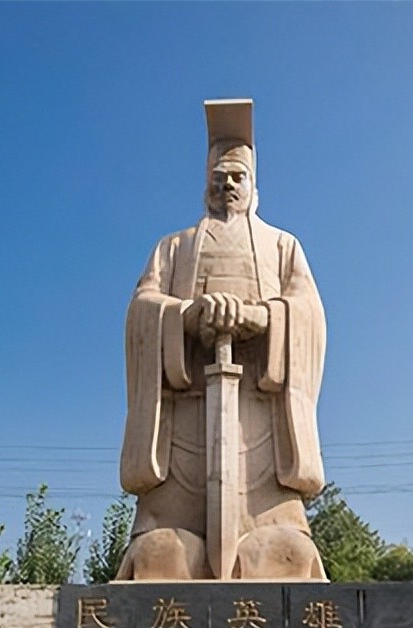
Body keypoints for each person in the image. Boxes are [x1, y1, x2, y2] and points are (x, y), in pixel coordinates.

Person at [116, 100, 328, 580]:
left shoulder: (283, 246)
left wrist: (264, 317)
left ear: (255, 187)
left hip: (260, 416)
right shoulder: (174, 247)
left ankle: (271, 528)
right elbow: (141, 309)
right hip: (186, 420)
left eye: (238, 177)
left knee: (282, 554)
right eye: (218, 177)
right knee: (162, 554)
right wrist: (184, 317)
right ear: (204, 184)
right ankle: (169, 530)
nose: (228, 184)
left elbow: (309, 313)